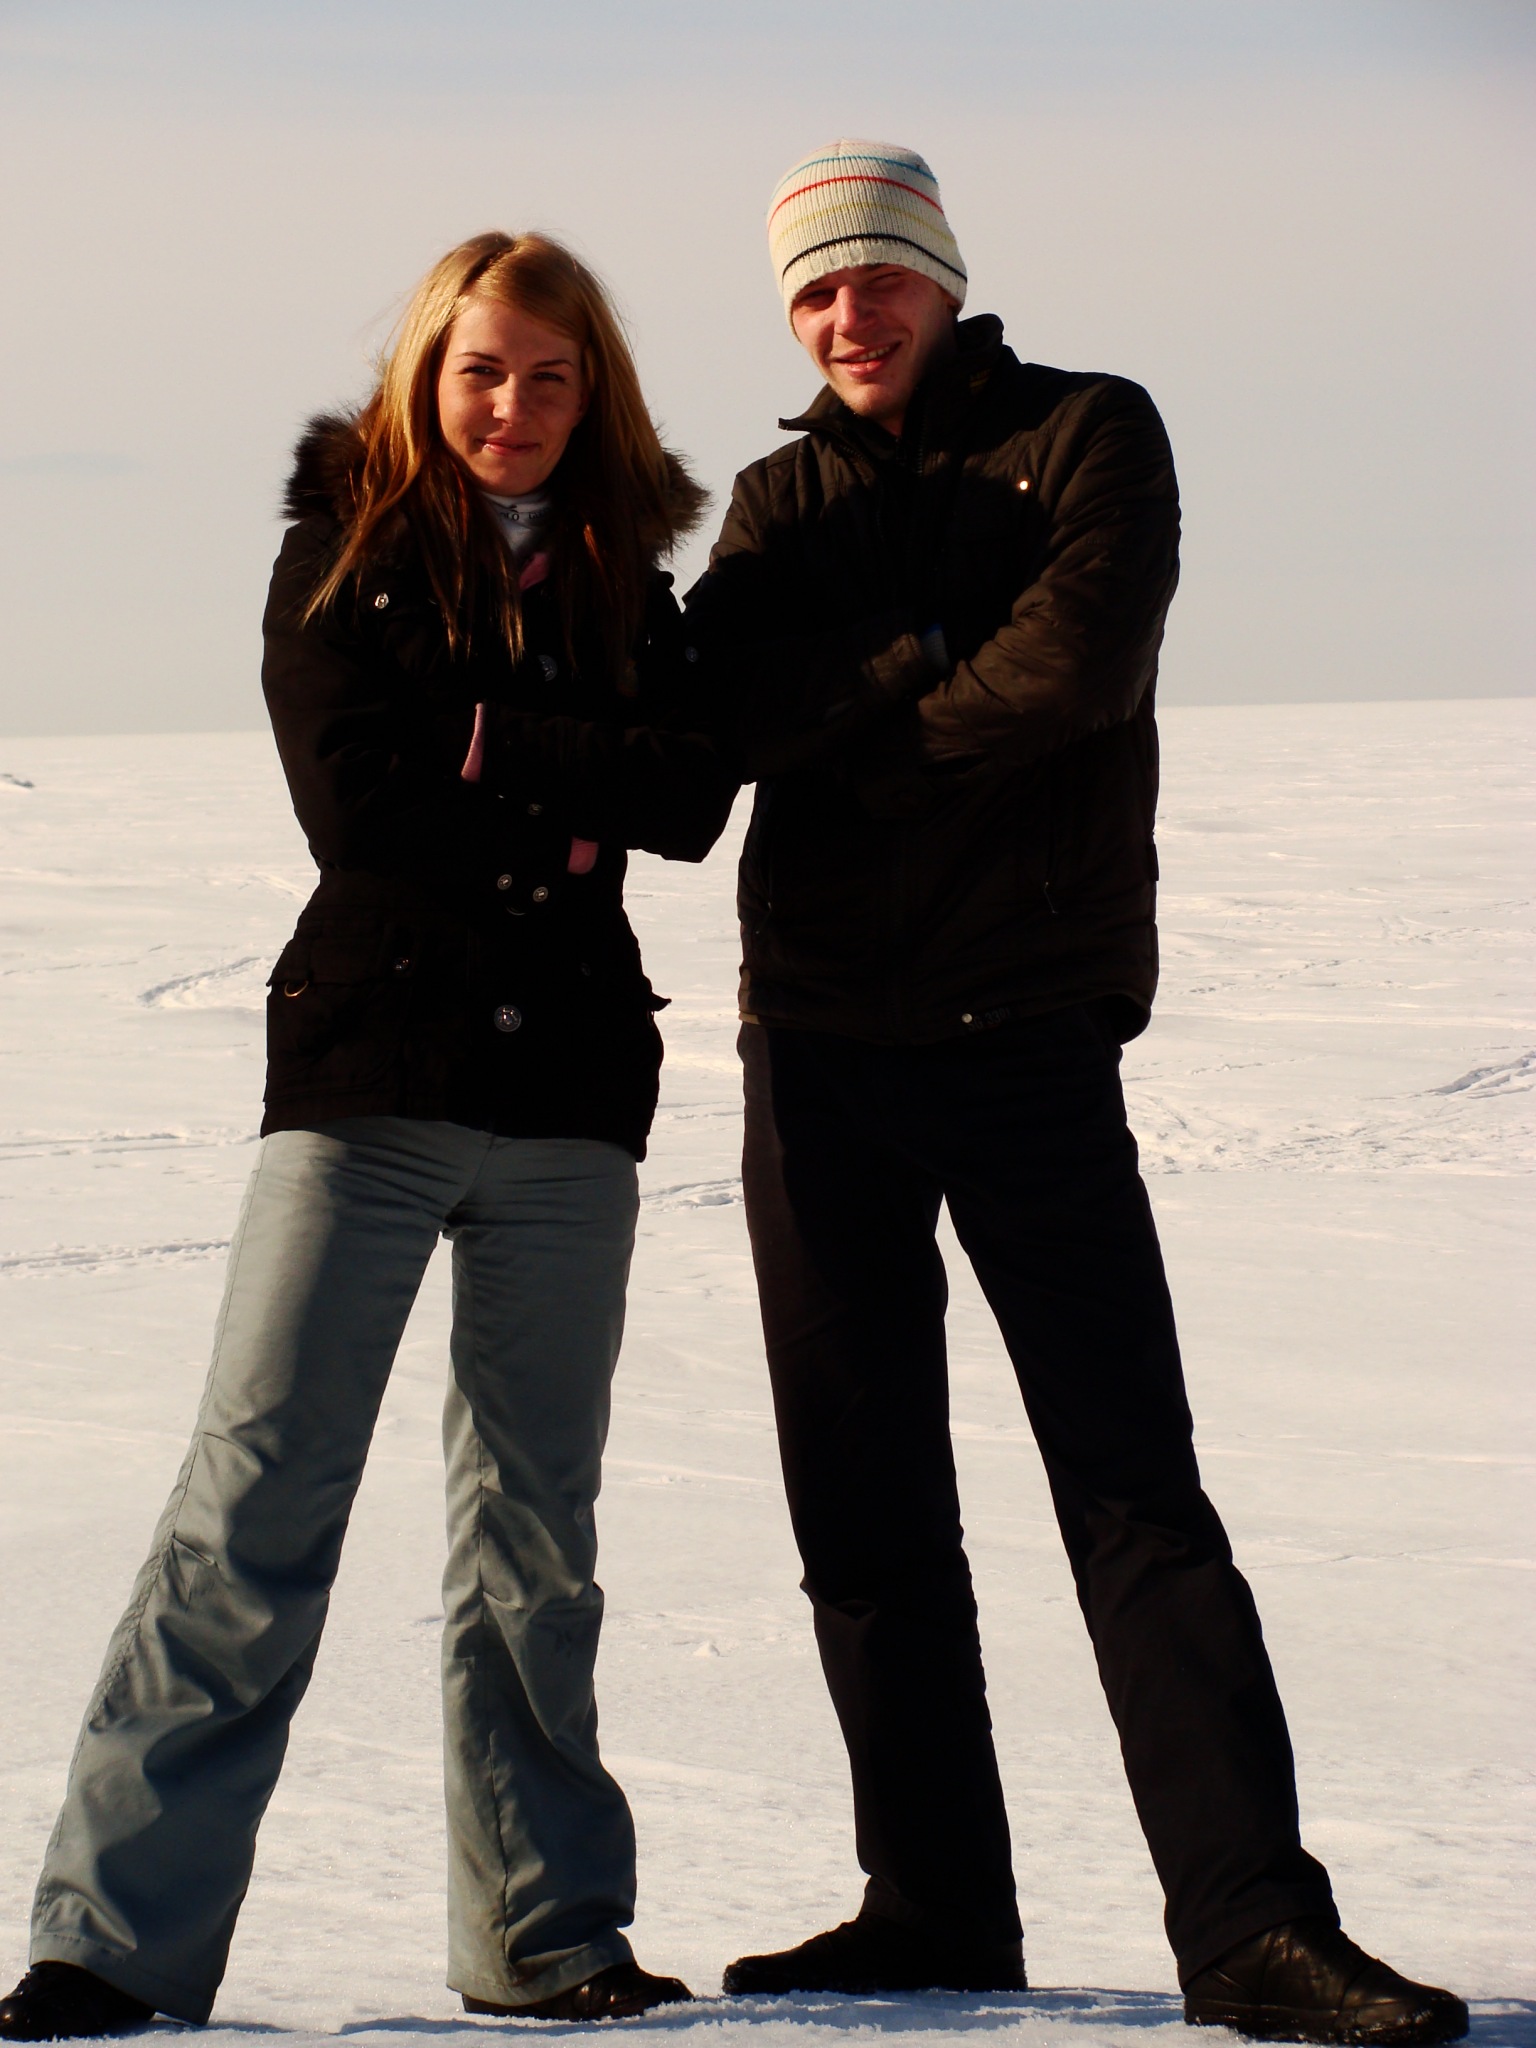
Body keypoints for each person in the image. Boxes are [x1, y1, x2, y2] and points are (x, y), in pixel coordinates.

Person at [684, 139, 1469, 2046]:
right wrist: (900, 663)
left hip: (1023, 1031)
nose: (847, 313)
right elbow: (719, 715)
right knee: (863, 1500)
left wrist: (859, 741)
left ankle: (1253, 1930)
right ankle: (933, 1907)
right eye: (812, 289)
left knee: (1131, 1488)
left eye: (876, 273)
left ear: (943, 274)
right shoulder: (778, 501)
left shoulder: (1090, 432)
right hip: (817, 1050)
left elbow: (1075, 669)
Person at [0, 229, 736, 2041]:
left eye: (549, 376)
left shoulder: (629, 574)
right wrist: (568, 778)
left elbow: (687, 795)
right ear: (426, 374)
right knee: (253, 1503)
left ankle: (549, 1939)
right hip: (370, 1079)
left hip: (570, 1099)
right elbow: (358, 805)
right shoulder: (344, 550)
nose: (512, 406)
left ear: (594, 391)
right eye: (482, 370)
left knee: (537, 1532)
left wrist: (483, 741)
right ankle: (112, 1949)